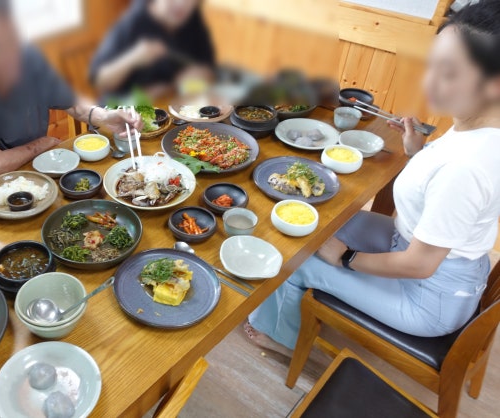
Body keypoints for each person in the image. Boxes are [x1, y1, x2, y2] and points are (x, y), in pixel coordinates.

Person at [247, 1, 500, 353]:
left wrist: (346, 257)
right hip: (420, 251)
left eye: (449, 72)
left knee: (296, 260)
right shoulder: (479, 131)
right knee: (319, 221)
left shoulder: (466, 167)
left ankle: (277, 337)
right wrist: (416, 151)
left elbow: (420, 265)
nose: (429, 80)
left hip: (427, 298)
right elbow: (441, 193)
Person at [0, 0, 142, 183]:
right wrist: (44, 143)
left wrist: (105, 116)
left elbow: (75, 107)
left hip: (41, 169)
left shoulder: (27, 55)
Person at [89, 0, 215, 98]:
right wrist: (133, 58)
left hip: (172, 108)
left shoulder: (194, 22)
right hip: (121, 112)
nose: (181, 3)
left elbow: (209, 68)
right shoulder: (132, 22)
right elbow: (100, 81)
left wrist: (198, 74)